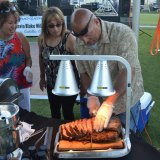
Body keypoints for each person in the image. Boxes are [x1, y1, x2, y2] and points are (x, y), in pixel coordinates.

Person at [71, 8, 144, 133]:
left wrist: (109, 103)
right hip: (98, 104)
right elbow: (84, 73)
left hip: (124, 103)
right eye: (80, 37)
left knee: (125, 138)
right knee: (101, 139)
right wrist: (91, 96)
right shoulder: (79, 42)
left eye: (87, 35)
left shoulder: (122, 34)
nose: (85, 41)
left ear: (96, 21)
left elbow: (127, 72)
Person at [38, 7, 80, 120]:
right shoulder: (42, 39)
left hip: (69, 84)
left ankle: (70, 136)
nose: (56, 29)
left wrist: (84, 80)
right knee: (54, 113)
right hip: (52, 83)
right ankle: (56, 135)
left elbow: (82, 60)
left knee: (67, 113)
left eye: (58, 24)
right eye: (51, 26)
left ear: (63, 23)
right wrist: (42, 77)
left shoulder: (69, 39)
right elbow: (41, 58)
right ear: (45, 26)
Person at [0, 0, 33, 112]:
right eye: (10, 23)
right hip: (2, 89)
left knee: (26, 119)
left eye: (15, 22)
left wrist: (28, 68)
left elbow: (28, 58)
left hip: (22, 88)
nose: (14, 26)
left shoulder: (21, 37)